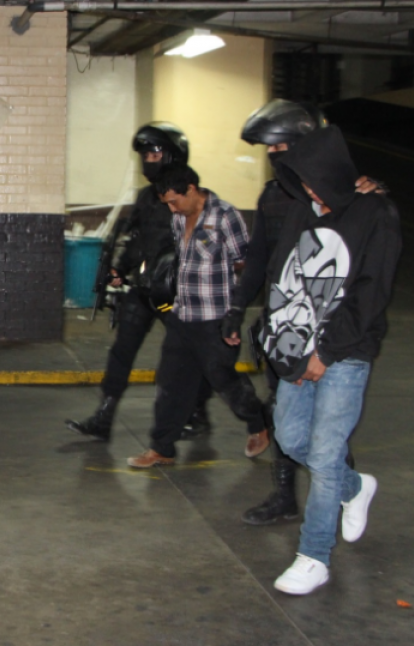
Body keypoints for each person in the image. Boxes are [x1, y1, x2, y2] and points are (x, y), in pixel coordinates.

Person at [262, 125, 400, 595]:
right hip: (297, 352)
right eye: (302, 181)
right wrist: (280, 342)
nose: (310, 190)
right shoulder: (303, 210)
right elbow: (284, 275)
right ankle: (354, 487)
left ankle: (314, 555)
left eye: (315, 180)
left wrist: (328, 350)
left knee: (323, 453)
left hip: (347, 352)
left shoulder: (374, 212)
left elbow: (370, 293)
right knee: (290, 438)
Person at [228, 100, 381, 526]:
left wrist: (370, 188)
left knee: (327, 426)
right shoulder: (275, 197)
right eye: (270, 153)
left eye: (283, 150)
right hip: (282, 326)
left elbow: (362, 258)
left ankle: (336, 495)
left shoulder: (349, 194)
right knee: (285, 418)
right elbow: (259, 257)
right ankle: (284, 495)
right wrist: (237, 310)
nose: (277, 161)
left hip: (330, 331)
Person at [66, 123, 212, 442]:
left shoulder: (189, 192)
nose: (149, 159)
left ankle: (198, 413)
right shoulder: (147, 197)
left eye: (155, 152)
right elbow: (137, 240)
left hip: (178, 293)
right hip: (146, 288)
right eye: (145, 154)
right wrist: (119, 268)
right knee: (122, 350)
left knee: (188, 352)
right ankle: (104, 415)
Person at [127, 163, 269, 468]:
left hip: (214, 317)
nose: (173, 209)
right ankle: (162, 447)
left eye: (175, 201)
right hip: (182, 314)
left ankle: (259, 423)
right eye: (167, 204)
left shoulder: (225, 216)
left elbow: (247, 261)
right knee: (171, 383)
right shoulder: (179, 218)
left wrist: (234, 310)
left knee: (224, 380)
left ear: (192, 189)